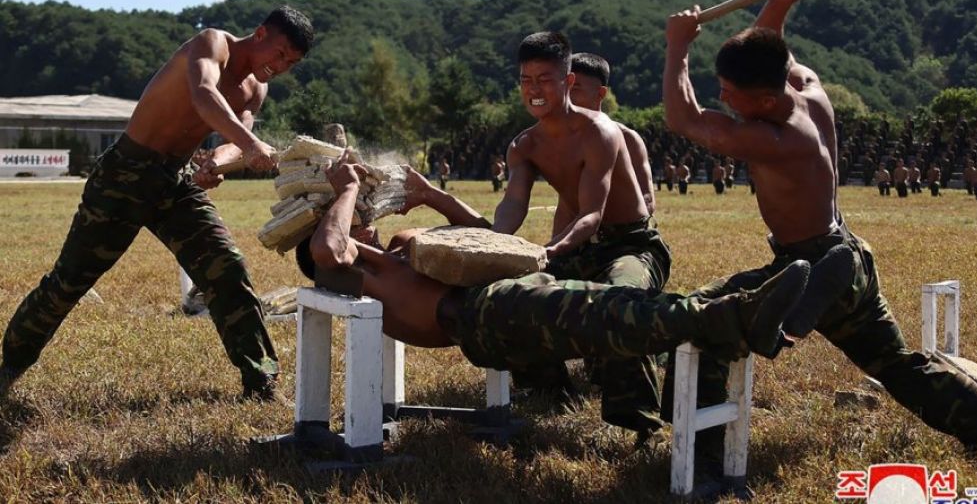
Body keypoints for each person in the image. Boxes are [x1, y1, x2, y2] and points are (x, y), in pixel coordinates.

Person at [661, 0, 977, 457]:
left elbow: (683, 117)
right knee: (895, 363)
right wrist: (779, 4)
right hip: (846, 253)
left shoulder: (771, 139)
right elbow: (772, 46)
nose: (722, 97)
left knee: (708, 317)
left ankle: (701, 449)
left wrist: (677, 47)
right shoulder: (810, 94)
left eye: (729, 92)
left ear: (763, 99)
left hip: (807, 262)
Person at [0, 6, 315, 402]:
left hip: (175, 181)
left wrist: (216, 164)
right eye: (281, 53)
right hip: (124, 173)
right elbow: (204, 95)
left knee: (226, 268)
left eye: (292, 62)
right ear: (261, 33)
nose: (281, 66)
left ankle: (261, 382)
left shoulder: (256, 89)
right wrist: (251, 146)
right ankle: (11, 364)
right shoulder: (212, 43)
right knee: (69, 281)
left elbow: (236, 140)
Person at [294, 161, 808, 385]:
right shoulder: (345, 268)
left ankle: (741, 297)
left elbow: (481, 237)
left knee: (611, 304)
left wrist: (432, 195)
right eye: (356, 220)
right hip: (479, 316)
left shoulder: (401, 248)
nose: (365, 222)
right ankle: (736, 316)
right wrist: (343, 192)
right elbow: (328, 248)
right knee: (604, 312)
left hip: (505, 296)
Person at [493, 32, 670, 440]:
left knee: (621, 298)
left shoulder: (600, 132)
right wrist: (495, 245)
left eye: (544, 79)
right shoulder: (524, 145)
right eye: (525, 80)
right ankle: (548, 391)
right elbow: (513, 205)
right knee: (513, 295)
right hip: (577, 246)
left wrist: (550, 250)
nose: (534, 90)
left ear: (568, 81)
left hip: (630, 245)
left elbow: (592, 213)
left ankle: (641, 420)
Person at [568, 51, 656, 215]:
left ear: (601, 94)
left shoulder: (628, 139)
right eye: (565, 88)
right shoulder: (562, 140)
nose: (567, 96)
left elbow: (647, 200)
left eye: (576, 89)